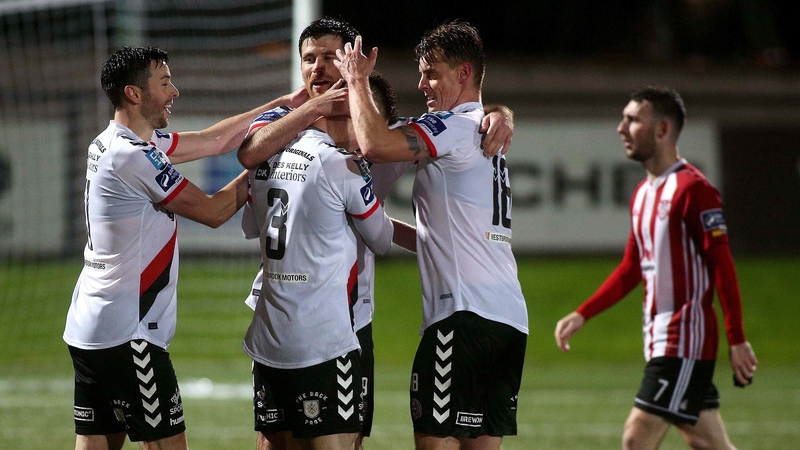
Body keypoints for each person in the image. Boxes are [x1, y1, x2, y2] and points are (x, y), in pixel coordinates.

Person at [237, 16, 516, 450]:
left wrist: (498, 113)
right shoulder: (283, 126)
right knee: (275, 439)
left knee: (345, 440)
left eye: (330, 57)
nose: (317, 68)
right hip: (280, 312)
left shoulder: (375, 135)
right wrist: (310, 111)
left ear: (352, 62)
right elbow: (248, 150)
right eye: (308, 59)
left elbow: (447, 126)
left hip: (349, 320)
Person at [335, 22, 529, 450]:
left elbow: (374, 144)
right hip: (509, 321)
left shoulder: (455, 128)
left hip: (462, 319)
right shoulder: (481, 129)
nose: (421, 83)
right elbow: (439, 235)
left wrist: (356, 79)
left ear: (464, 73)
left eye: (431, 72)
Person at [61, 46, 258, 450]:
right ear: (135, 94)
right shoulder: (133, 156)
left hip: (90, 326)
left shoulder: (113, 142)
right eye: (165, 82)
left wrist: (292, 105)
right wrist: (263, 164)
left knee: (96, 442)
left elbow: (214, 139)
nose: (175, 92)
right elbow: (215, 211)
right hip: (127, 332)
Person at [554, 86, 759, 450]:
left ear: (662, 130)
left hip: (684, 338)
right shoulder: (643, 194)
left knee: (636, 437)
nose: (621, 128)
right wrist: (583, 313)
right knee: (709, 443)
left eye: (633, 120)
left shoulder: (694, 190)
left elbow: (722, 264)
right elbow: (633, 267)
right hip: (659, 337)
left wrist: (737, 338)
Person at [241, 72, 402, 450]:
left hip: (271, 333)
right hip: (327, 335)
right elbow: (381, 240)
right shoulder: (343, 163)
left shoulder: (268, 151)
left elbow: (252, 225)